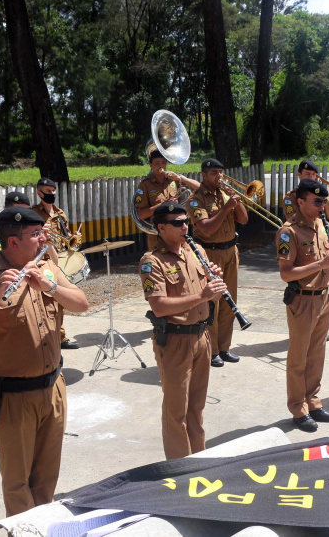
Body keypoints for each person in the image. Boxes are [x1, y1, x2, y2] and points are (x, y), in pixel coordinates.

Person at [0, 207, 89, 515]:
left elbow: (82, 304)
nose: (43, 238)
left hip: (53, 389)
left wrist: (51, 287)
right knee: (18, 485)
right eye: (35, 234)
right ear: (13, 242)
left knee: (46, 480)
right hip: (14, 397)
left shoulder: (46, 267)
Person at [139, 202, 226, 459]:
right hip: (175, 340)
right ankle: (179, 470)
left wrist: (214, 287)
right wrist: (202, 295)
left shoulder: (195, 249)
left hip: (202, 336)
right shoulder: (151, 261)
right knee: (177, 411)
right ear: (161, 228)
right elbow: (159, 306)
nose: (185, 226)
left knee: (197, 408)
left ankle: (199, 459)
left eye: (185, 220)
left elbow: (211, 296)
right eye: (177, 223)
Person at [275, 179, 329, 432]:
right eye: (317, 202)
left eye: (324, 201)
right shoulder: (288, 231)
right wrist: (322, 264)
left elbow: (325, 261)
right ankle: (298, 408)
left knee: (317, 355)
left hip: (324, 297)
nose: (322, 206)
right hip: (302, 300)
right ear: (300, 201)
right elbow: (287, 273)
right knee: (299, 358)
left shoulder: (321, 225)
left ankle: (313, 402)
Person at [186, 158, 248, 368]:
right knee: (213, 302)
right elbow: (206, 229)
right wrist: (226, 208)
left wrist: (235, 202)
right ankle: (211, 352)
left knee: (230, 301)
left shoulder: (225, 193)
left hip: (231, 251)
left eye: (220, 173)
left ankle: (224, 348)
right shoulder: (196, 200)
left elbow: (244, 219)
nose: (219, 177)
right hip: (210, 254)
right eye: (214, 173)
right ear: (203, 175)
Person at [31, 177, 81, 349]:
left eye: (53, 191)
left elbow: (65, 237)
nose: (51, 194)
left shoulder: (60, 213)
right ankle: (53, 336)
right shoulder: (34, 213)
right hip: (42, 261)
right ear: (39, 193)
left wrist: (73, 238)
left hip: (58, 259)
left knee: (60, 298)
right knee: (48, 299)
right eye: (48, 191)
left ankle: (60, 336)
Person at [135, 148, 201, 249]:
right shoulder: (144, 185)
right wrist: (163, 205)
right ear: (150, 165)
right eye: (157, 163)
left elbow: (200, 188)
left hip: (177, 231)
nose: (160, 166)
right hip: (157, 234)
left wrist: (180, 178)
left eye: (163, 163)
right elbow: (141, 214)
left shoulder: (174, 180)